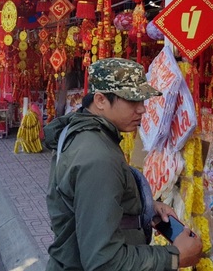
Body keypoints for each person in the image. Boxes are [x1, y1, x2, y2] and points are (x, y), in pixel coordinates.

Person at [44, 58, 202, 270]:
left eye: (143, 101)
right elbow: (104, 262)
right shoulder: (98, 157)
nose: (142, 110)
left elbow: (85, 202)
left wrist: (144, 207)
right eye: (132, 101)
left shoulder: (85, 133)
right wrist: (174, 257)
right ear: (100, 100)